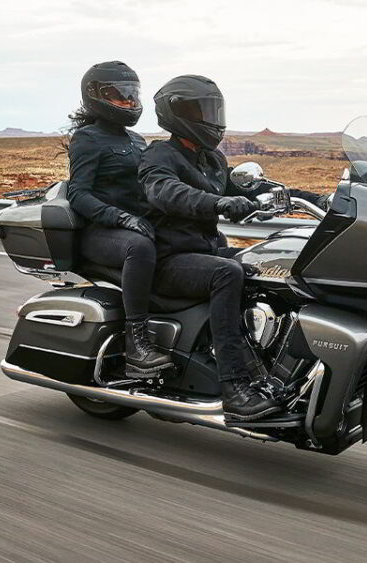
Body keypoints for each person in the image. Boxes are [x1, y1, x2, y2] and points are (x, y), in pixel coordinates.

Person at [138, 75, 281, 421]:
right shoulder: (159, 155)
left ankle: (266, 367)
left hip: (202, 253)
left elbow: (251, 187)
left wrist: (315, 197)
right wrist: (218, 204)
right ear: (178, 113)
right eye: (203, 111)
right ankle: (234, 386)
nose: (212, 119)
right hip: (168, 259)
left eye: (215, 111)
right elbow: (164, 192)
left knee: (266, 262)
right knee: (227, 272)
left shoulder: (212, 160)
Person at [66, 61, 172, 377]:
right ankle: (136, 343)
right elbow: (79, 194)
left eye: (132, 94)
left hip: (133, 225)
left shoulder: (137, 141)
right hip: (101, 232)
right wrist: (121, 218)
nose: (128, 102)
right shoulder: (88, 138)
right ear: (95, 95)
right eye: (119, 95)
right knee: (139, 248)